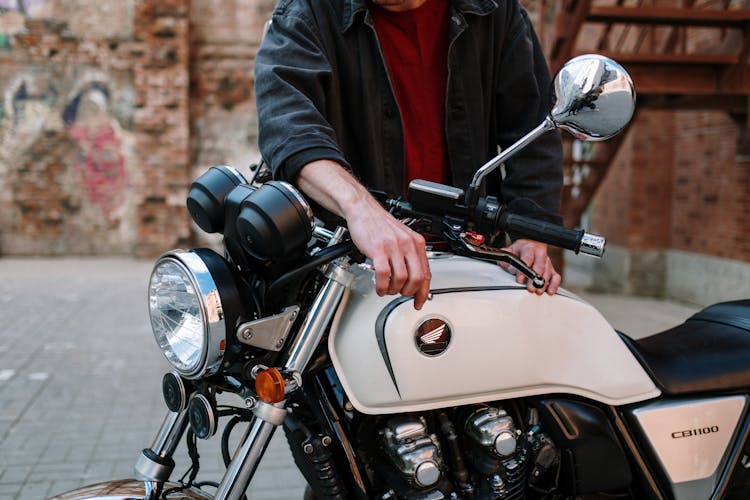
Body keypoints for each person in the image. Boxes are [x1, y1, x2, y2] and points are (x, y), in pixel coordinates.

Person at [255, 0, 563, 310]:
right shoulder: (308, 11)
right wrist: (363, 211)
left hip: (470, 266)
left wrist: (530, 232)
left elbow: (533, 128)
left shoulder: (494, 8)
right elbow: (288, 129)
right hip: (350, 274)